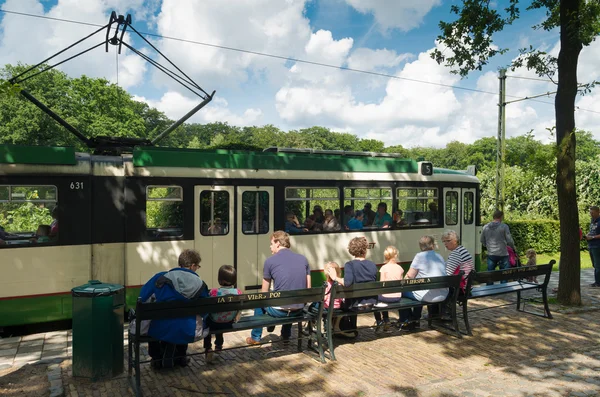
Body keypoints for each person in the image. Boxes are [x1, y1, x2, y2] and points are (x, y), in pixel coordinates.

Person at [139, 249, 209, 369]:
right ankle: (180, 355)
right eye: (197, 266)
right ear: (192, 266)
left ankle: (156, 358)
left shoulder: (159, 278)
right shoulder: (200, 284)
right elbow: (204, 310)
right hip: (188, 330)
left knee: (158, 320)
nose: (197, 269)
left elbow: (143, 298)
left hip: (158, 329)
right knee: (186, 319)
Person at [246, 231, 311, 345]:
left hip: (279, 311)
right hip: (298, 309)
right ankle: (286, 336)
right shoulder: (303, 259)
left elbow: (264, 293)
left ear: (277, 243)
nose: (270, 246)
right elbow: (308, 289)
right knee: (290, 296)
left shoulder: (270, 261)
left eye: (271, 243)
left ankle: (255, 337)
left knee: (258, 303)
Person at [327, 237, 378, 335]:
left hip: (355, 305)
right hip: (370, 303)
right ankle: (351, 327)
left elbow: (347, 283)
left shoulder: (350, 265)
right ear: (365, 250)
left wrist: (335, 277)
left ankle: (337, 328)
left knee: (339, 303)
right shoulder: (372, 265)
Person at [398, 236, 448, 330]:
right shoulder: (439, 256)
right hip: (443, 294)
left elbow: (410, 276)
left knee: (402, 292)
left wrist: (402, 283)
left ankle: (408, 320)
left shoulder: (419, 256)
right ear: (432, 246)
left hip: (428, 296)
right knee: (418, 289)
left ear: (420, 246)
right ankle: (415, 319)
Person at [203, 265, 242, 362]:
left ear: (220, 279)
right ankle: (219, 346)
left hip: (214, 322)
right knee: (220, 323)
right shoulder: (238, 292)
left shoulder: (214, 292)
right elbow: (240, 309)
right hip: (229, 321)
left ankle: (208, 348)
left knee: (207, 324)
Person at [373, 246, 404, 332]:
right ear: (396, 255)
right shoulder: (400, 268)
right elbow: (401, 284)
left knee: (374, 298)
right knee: (383, 296)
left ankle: (380, 320)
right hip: (397, 296)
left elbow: (382, 284)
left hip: (386, 297)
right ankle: (386, 320)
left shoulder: (384, 268)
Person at [480, 210, 515, 283]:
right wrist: (513, 248)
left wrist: (488, 246)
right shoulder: (504, 227)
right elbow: (509, 241)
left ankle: (489, 288)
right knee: (504, 274)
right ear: (501, 217)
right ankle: (503, 288)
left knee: (490, 274)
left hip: (491, 253)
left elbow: (482, 240)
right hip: (503, 254)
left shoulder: (485, 227)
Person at [586, 206, 600, 287]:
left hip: (597, 245)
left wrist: (593, 237)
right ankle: (596, 281)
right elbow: (592, 231)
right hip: (591, 245)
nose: (591, 214)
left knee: (598, 264)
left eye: (592, 213)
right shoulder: (592, 221)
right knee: (594, 264)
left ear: (598, 212)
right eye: (590, 213)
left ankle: (598, 282)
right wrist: (588, 235)